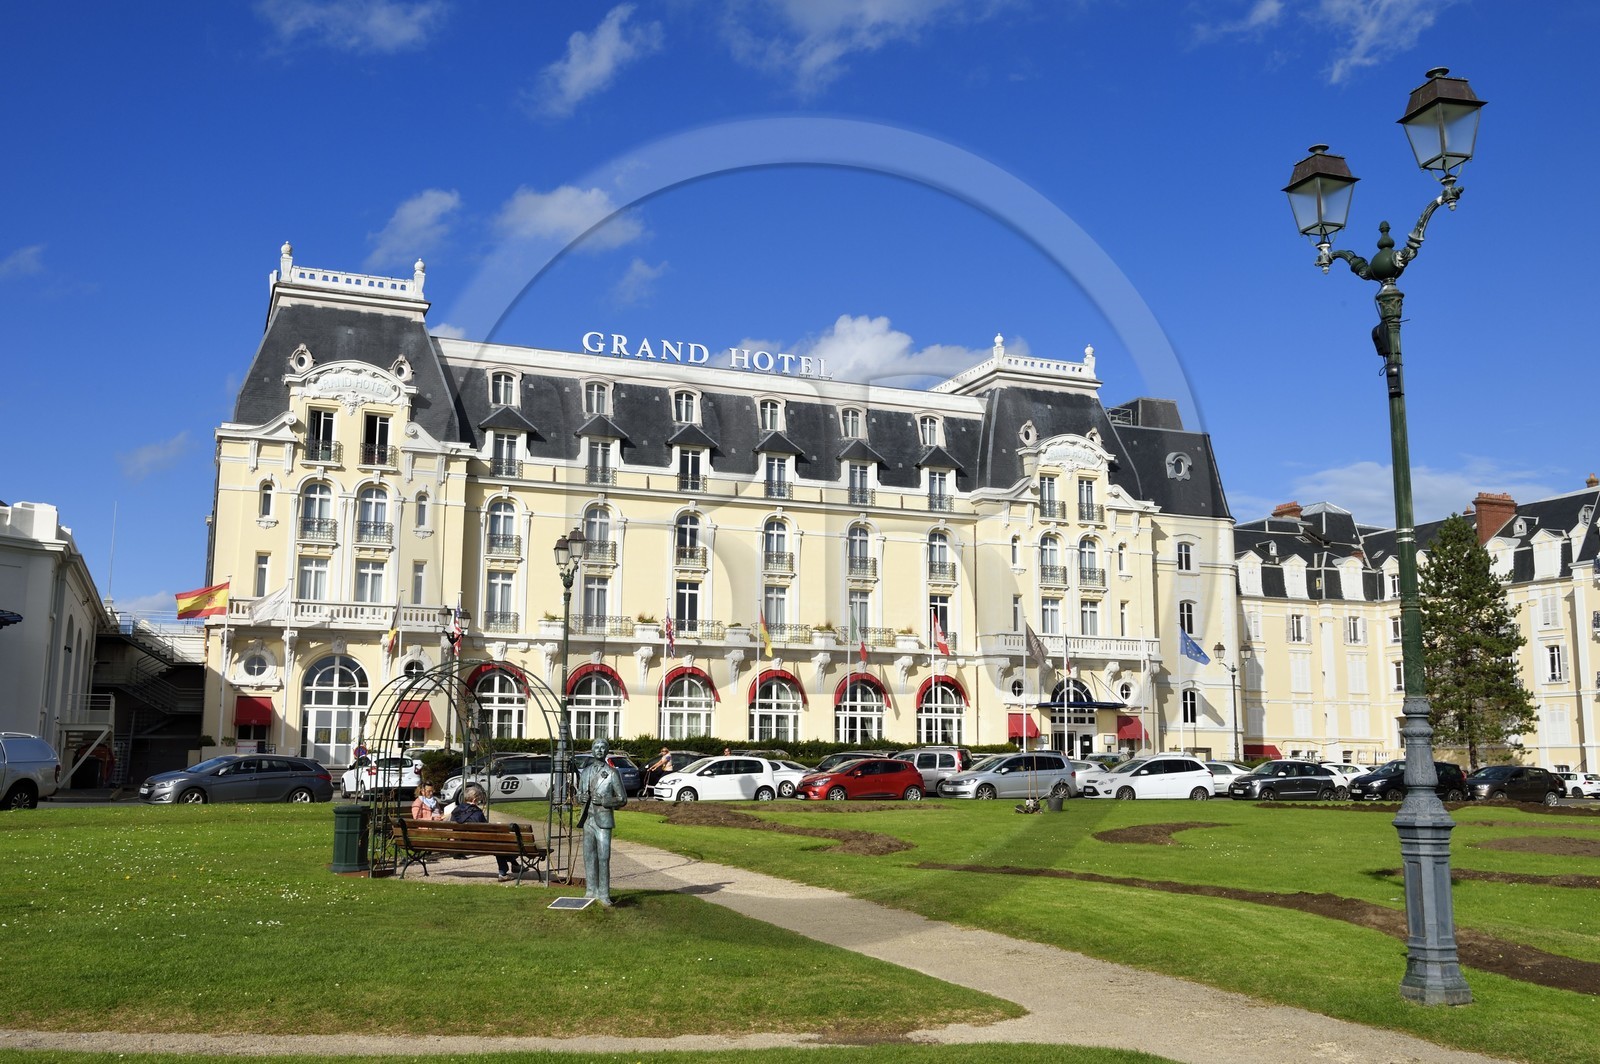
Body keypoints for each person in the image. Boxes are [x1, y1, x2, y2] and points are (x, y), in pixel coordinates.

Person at [577, 737, 628, 905]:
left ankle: (604, 894)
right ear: (592, 750)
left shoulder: (612, 773)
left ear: (606, 751)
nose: (599, 750)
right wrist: (581, 797)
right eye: (596, 747)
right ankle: (591, 890)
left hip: (603, 820)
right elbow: (579, 795)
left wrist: (606, 801)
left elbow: (622, 798)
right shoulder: (585, 772)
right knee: (588, 856)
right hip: (588, 820)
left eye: (602, 747)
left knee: (603, 857)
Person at [451, 785, 518, 882]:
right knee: (499, 844)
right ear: (474, 800)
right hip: (480, 844)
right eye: (478, 800)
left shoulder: (455, 811)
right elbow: (486, 830)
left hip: (461, 844)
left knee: (498, 844)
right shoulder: (477, 813)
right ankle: (503, 872)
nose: (479, 802)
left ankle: (515, 864)